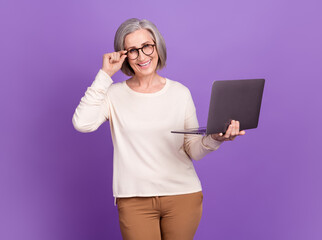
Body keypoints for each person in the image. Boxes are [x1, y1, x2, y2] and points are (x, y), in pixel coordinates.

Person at [72, 18, 245, 240]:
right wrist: (104, 75)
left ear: (157, 46)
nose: (142, 56)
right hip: (134, 199)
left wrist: (216, 138)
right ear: (123, 55)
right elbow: (82, 122)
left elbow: (193, 149)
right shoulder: (113, 95)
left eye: (147, 46)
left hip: (183, 195)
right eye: (133, 50)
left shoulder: (180, 93)